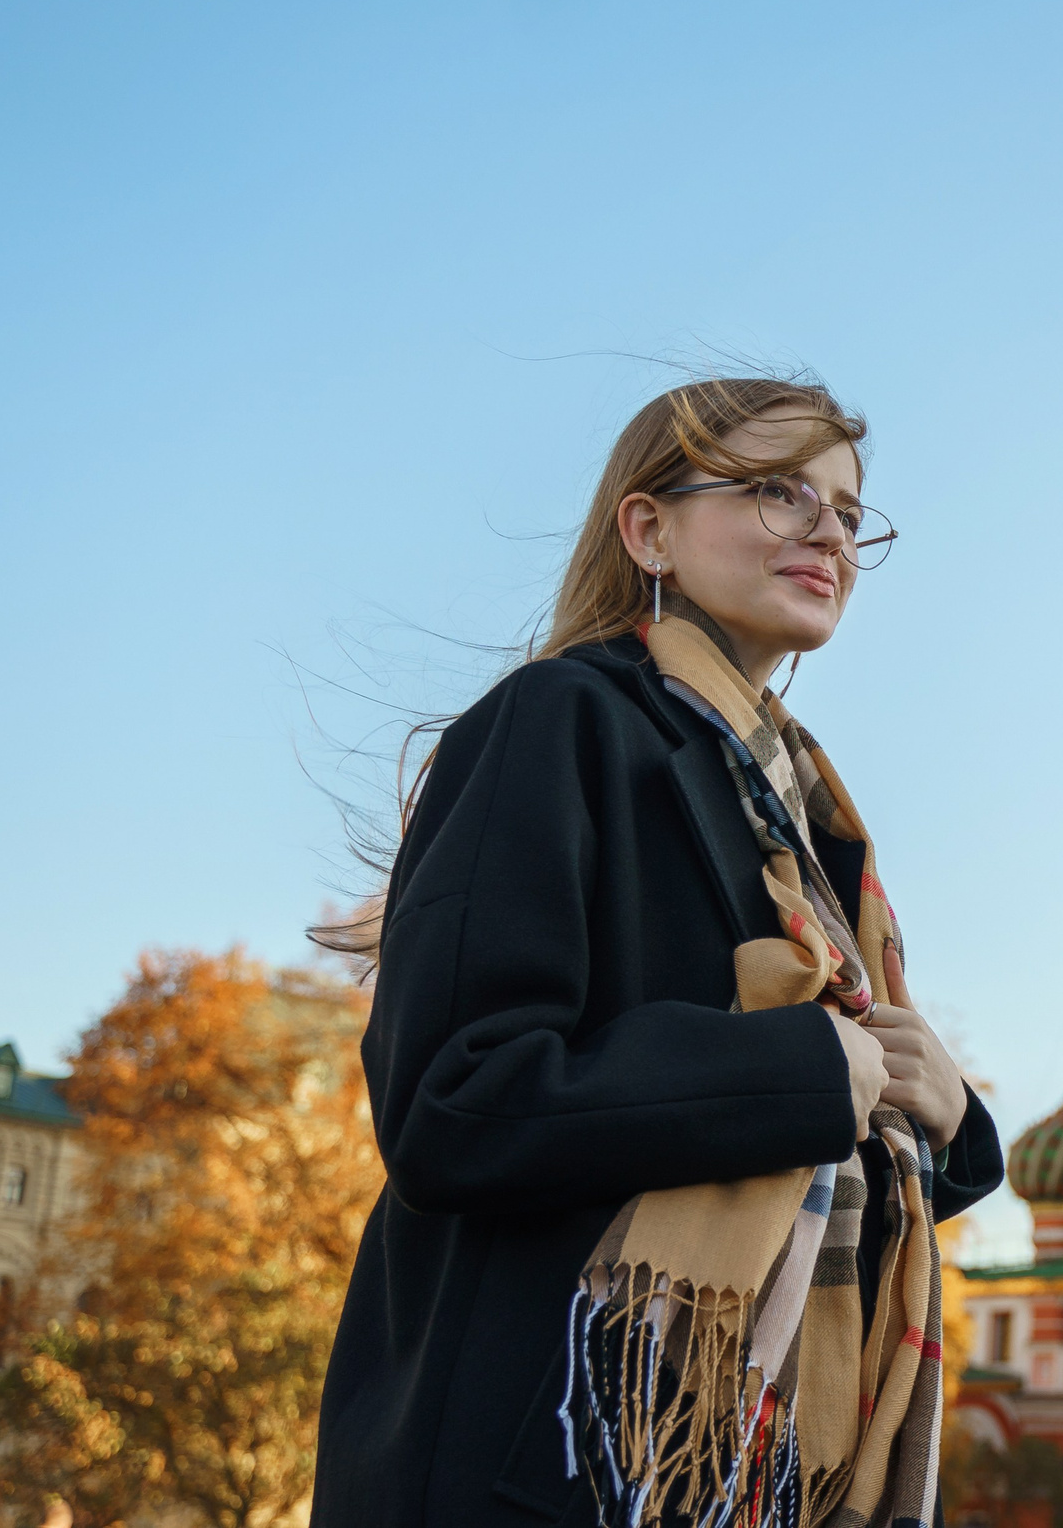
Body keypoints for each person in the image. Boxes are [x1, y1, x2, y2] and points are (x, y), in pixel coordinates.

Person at [312, 377, 1002, 1527]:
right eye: (780, 492)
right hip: (553, 1460)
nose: (828, 530)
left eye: (845, 509)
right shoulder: (559, 722)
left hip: (753, 1474)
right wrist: (801, 1072)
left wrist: (946, 1117)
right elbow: (455, 1100)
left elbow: (827, 1176)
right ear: (651, 530)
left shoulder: (811, 826)